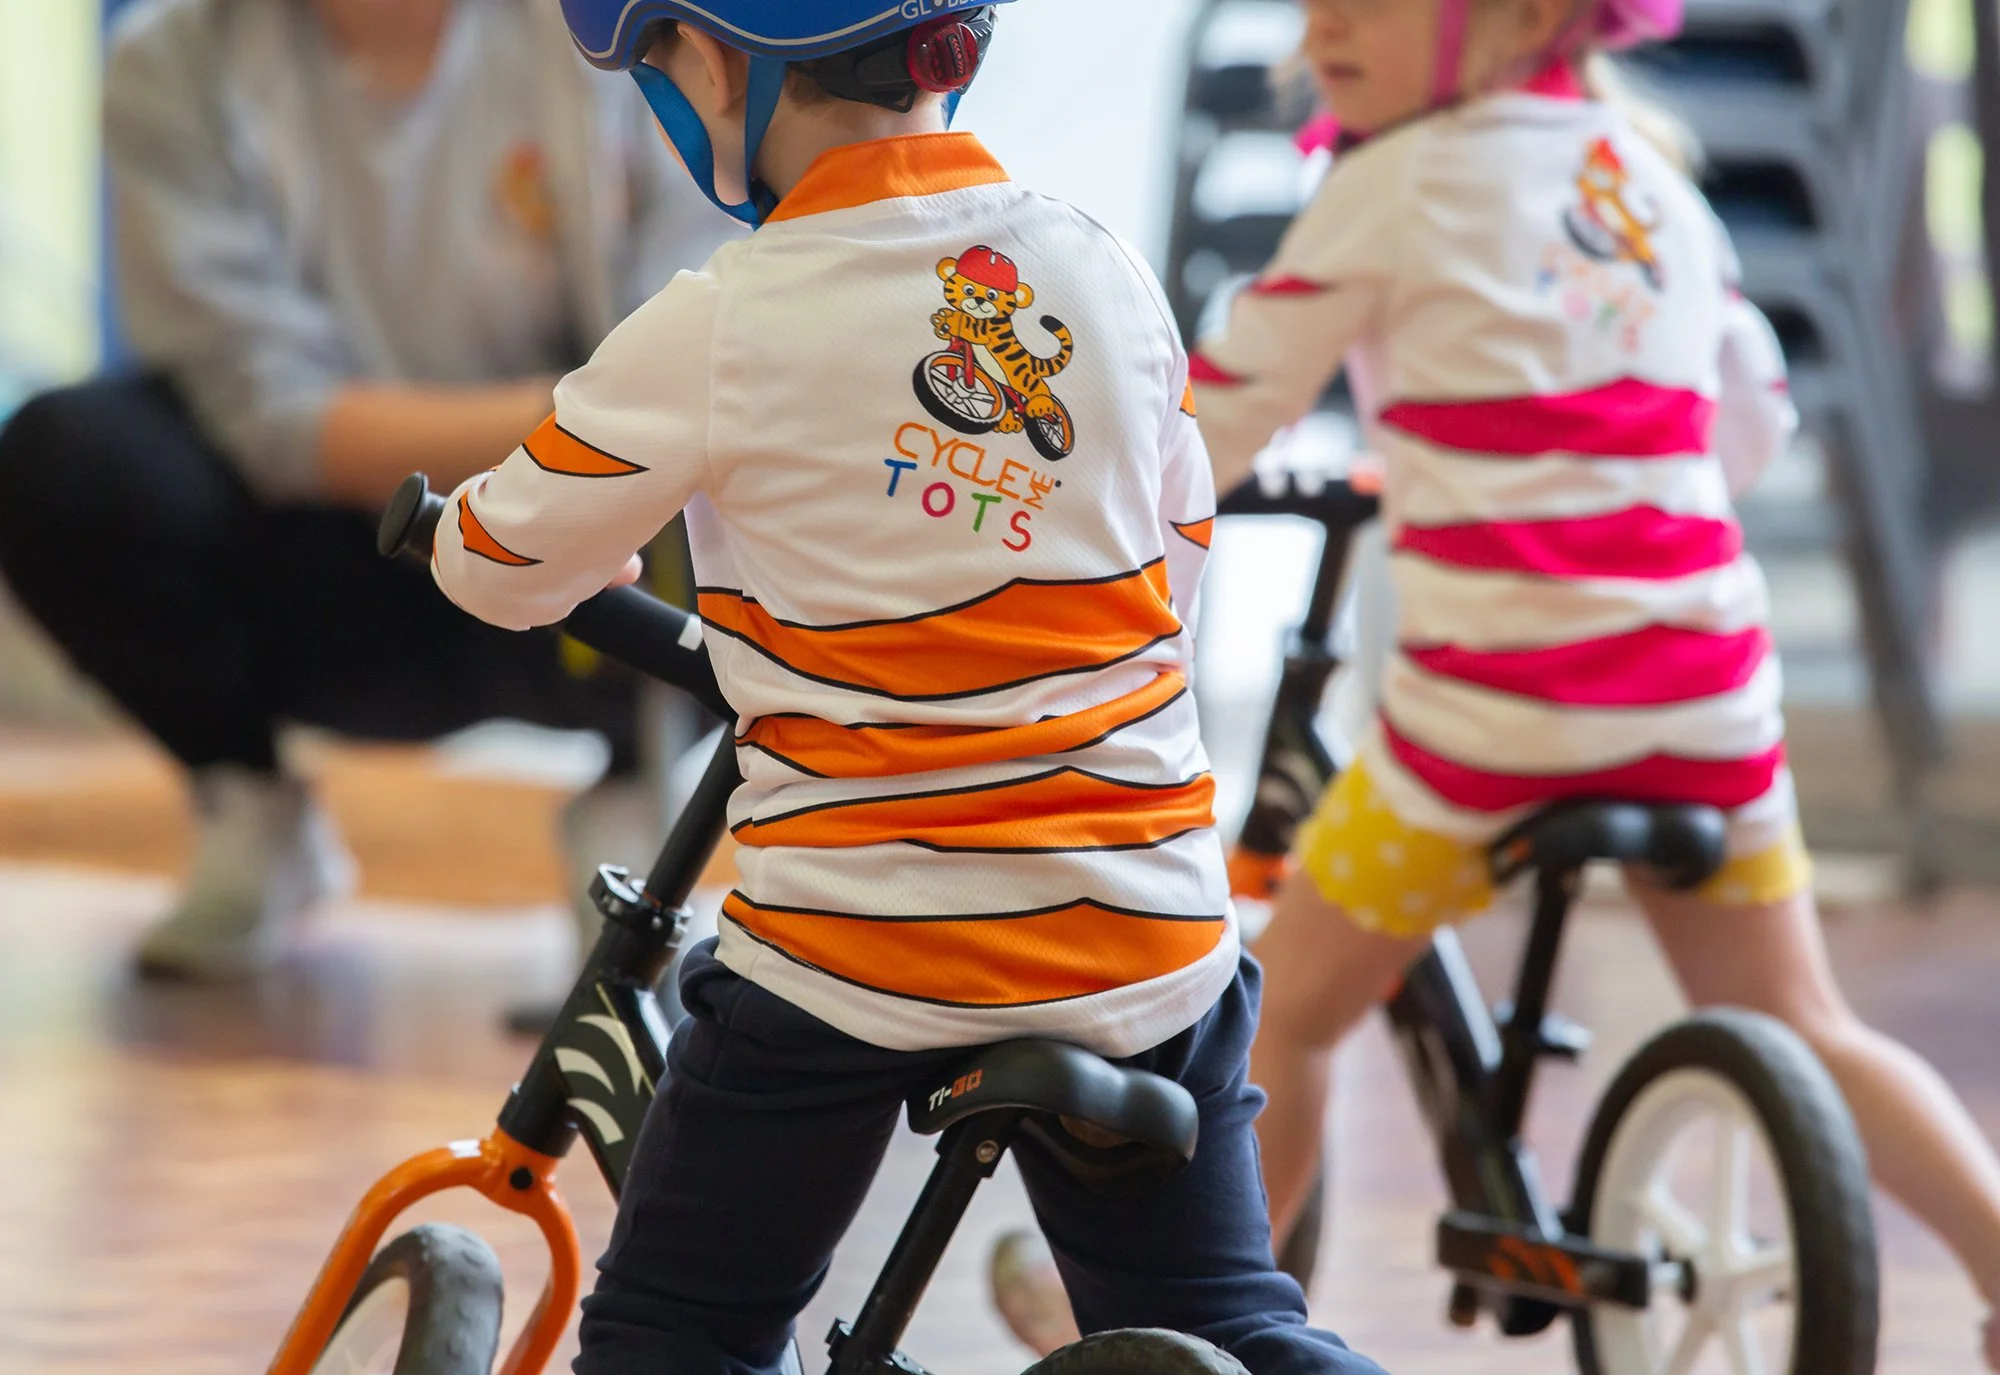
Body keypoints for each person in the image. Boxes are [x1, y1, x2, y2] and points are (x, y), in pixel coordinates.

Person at [995, 0, 2000, 1367]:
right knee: (1805, 1021)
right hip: (1704, 699)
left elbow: (1216, 416)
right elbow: (1747, 420)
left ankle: (1187, 1314)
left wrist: (1084, 561)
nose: (1323, 26)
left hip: (1492, 729)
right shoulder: (1652, 180)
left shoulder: (1385, 185)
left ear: (1521, 17)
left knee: (1283, 1006)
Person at [430, 2, 1394, 1370]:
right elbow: (1178, 562)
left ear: (712, 63)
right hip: (1146, 928)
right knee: (1231, 1320)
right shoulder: (1101, 266)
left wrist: (453, 529)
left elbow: (504, 562)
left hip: (859, 952)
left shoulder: (723, 316)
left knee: (678, 1330)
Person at [0, 0, 735, 980]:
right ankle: (249, 806)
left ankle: (634, 813)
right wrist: (572, 413)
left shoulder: (616, 36)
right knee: (62, 459)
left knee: (751, 475)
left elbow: (701, 355)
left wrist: (591, 434)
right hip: (327, 561)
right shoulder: (172, 63)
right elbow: (273, 417)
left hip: (570, 545)